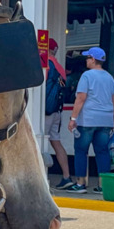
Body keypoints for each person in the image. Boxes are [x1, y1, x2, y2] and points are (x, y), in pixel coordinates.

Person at [66, 47, 114, 194]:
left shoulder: (87, 76)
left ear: (93, 59)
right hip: (106, 120)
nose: (86, 61)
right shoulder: (110, 78)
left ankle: (81, 183)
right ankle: (103, 185)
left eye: (88, 58)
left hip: (88, 120)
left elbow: (81, 98)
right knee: (102, 151)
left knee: (81, 150)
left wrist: (73, 118)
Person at [44, 38, 75, 190]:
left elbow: (41, 85)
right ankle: (66, 176)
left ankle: (41, 179)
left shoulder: (46, 64)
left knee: (39, 140)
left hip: (46, 112)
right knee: (56, 142)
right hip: (57, 111)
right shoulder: (60, 67)